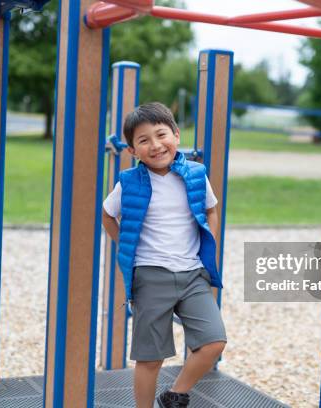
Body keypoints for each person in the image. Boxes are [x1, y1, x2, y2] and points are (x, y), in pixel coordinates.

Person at [101, 102, 227, 408]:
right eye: (144, 140)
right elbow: (107, 215)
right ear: (132, 151)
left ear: (176, 135)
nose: (156, 145)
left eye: (161, 135)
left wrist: (207, 243)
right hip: (150, 276)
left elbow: (211, 208)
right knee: (150, 357)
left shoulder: (195, 174)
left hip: (192, 273)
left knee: (213, 341)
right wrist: (129, 246)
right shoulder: (129, 183)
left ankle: (175, 394)